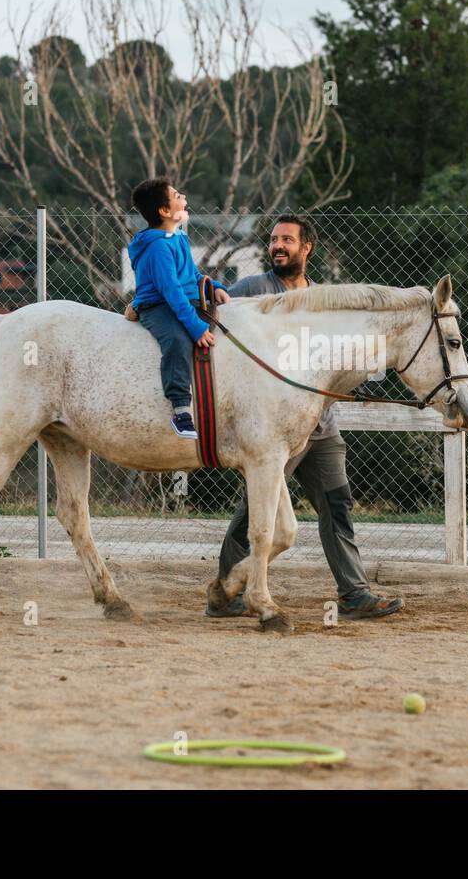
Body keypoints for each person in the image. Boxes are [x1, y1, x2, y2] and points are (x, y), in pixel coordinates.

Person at [205, 214, 402, 621]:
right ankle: (227, 591)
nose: (278, 246)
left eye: (287, 240)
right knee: (255, 510)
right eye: (274, 239)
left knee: (337, 506)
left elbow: (339, 360)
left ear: (306, 248)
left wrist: (362, 381)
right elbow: (219, 316)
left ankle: (353, 594)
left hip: (320, 426)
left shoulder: (323, 302)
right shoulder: (254, 290)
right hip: (274, 426)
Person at [127, 177, 230, 440]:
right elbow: (171, 291)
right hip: (158, 305)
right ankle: (181, 409)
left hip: (183, 300)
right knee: (177, 340)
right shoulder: (159, 247)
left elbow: (192, 275)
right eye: (177, 195)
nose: (183, 197)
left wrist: (214, 286)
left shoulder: (179, 238)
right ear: (164, 211)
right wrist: (195, 328)